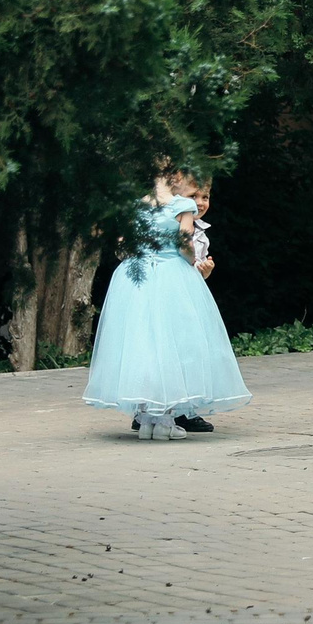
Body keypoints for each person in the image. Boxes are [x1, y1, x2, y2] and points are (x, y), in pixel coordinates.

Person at [82, 165, 253, 435]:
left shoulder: (139, 206)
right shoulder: (180, 207)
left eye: (205, 196)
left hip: (137, 278)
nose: (199, 203)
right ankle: (159, 413)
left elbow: (123, 246)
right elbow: (185, 246)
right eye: (195, 194)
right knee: (170, 341)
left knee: (151, 342)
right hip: (169, 276)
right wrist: (183, 261)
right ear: (176, 183)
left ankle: (160, 411)